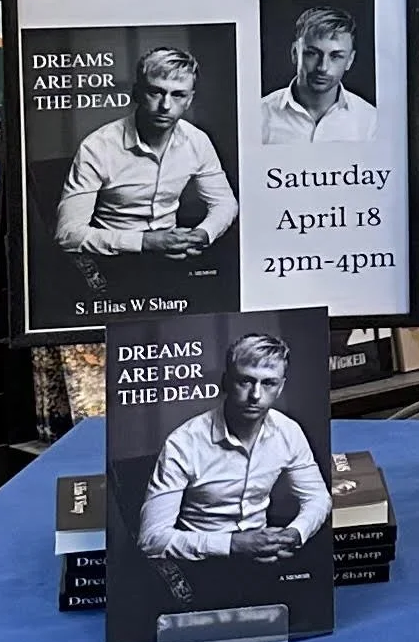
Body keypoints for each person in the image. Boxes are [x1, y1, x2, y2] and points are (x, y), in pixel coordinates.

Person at [137, 330, 328, 565]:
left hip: (265, 558)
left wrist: (294, 534)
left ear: (280, 388)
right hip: (200, 565)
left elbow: (318, 498)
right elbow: (151, 539)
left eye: (268, 383)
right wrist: (234, 544)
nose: (256, 395)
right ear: (226, 382)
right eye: (245, 381)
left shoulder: (288, 431)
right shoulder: (183, 443)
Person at [55, 45, 237, 275]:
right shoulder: (98, 146)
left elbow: (225, 203)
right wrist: (146, 242)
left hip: (174, 256)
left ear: (189, 100)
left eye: (178, 94)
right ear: (137, 93)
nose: (166, 106)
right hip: (112, 260)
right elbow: (68, 234)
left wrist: (201, 234)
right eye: (156, 92)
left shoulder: (197, 141)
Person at [258, 7, 376, 147]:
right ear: (295, 53)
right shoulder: (259, 116)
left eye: (336, 56)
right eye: (312, 53)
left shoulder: (371, 121)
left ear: (349, 60)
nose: (323, 67)